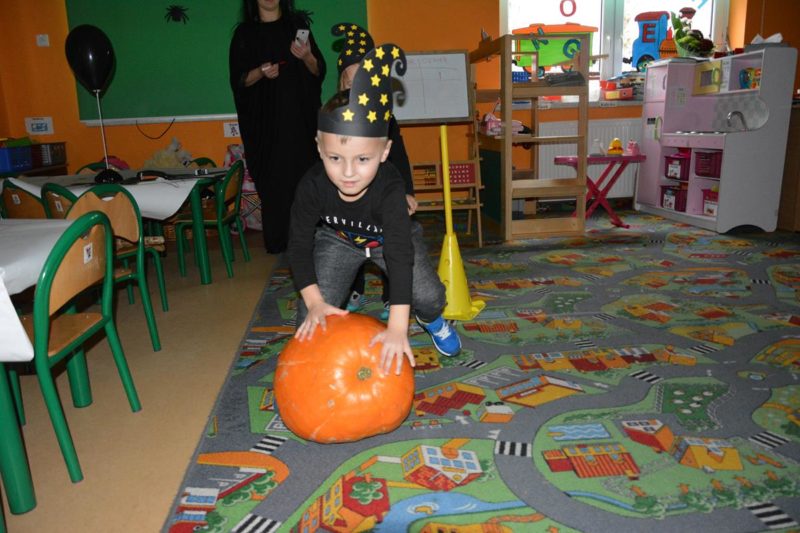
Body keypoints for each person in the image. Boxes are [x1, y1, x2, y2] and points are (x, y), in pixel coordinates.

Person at [287, 43, 461, 375]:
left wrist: (397, 327)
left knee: (429, 297)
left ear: (384, 152)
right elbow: (298, 245)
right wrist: (315, 302)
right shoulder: (311, 186)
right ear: (320, 148)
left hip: (389, 240)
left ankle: (433, 320)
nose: (348, 173)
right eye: (335, 158)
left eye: (362, 159)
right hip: (339, 239)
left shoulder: (390, 189)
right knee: (310, 317)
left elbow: (398, 254)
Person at [331, 23, 417, 320]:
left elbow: (400, 157)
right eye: (349, 82)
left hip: (383, 191)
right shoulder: (333, 117)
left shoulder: (386, 117)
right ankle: (352, 289)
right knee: (346, 239)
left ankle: (393, 295)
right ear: (341, 85)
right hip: (349, 192)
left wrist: (406, 192)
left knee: (393, 241)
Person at [229, 0, 326, 253]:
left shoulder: (297, 26)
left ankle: (315, 239)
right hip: (266, 129)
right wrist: (261, 72)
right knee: (276, 184)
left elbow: (318, 70)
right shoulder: (245, 34)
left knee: (307, 179)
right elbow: (239, 80)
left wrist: (306, 56)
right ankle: (281, 243)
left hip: (302, 123)